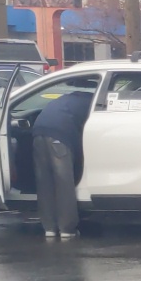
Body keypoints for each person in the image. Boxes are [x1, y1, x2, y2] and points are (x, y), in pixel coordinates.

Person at [30, 86, 90, 239]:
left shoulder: (65, 100)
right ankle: (67, 229)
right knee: (64, 183)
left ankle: (49, 228)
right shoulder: (91, 104)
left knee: (44, 182)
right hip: (59, 137)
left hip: (38, 132)